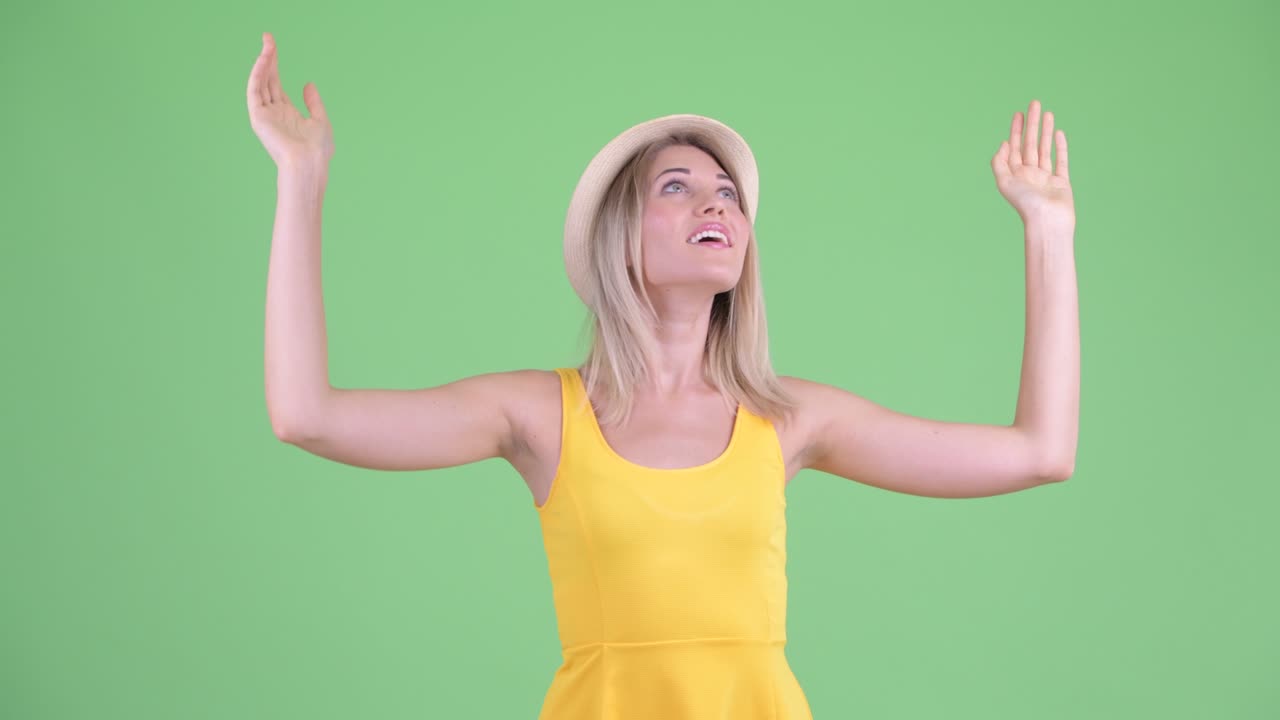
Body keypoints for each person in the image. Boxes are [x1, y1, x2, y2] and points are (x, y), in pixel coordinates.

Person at [247, 30, 1079, 720]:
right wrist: (301, 179)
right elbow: (305, 414)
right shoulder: (541, 415)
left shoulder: (789, 421)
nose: (714, 205)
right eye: (675, 188)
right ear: (619, 236)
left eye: (727, 194)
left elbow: (1042, 451)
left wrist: (1048, 231)